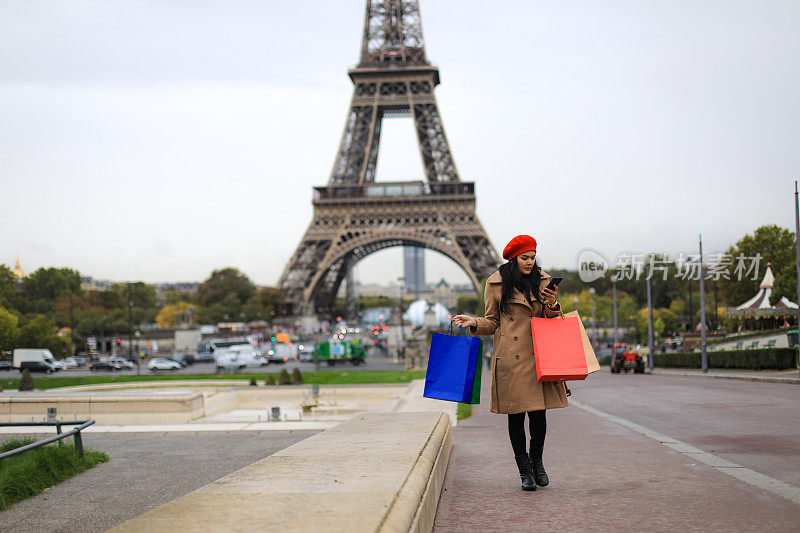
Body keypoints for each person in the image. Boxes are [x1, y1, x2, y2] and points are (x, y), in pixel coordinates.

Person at [453, 234, 566, 492]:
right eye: (525, 258)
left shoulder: (544, 281)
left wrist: (551, 303)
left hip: (537, 356)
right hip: (511, 357)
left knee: (538, 415)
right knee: (516, 417)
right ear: (514, 258)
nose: (530, 262)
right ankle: (524, 470)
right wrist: (474, 322)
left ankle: (537, 462)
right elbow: (493, 322)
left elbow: (550, 320)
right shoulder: (495, 284)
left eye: (533, 257)